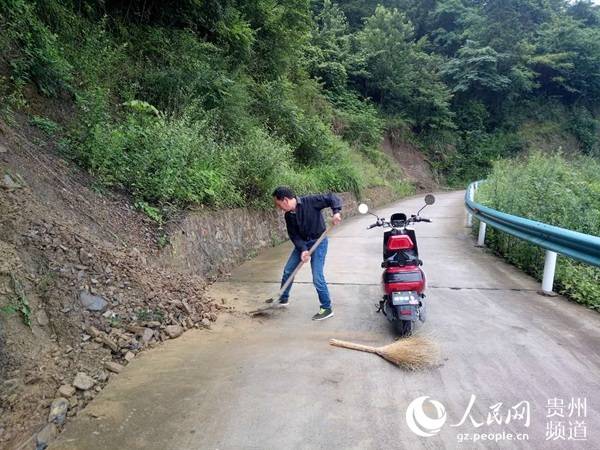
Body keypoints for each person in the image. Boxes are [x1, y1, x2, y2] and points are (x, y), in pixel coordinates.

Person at [272, 186, 342, 321]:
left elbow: (332, 197)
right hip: (303, 243)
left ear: (285, 200)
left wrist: (336, 212)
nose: (279, 208)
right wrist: (303, 249)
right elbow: (294, 236)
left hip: (319, 242)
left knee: (317, 277)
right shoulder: (289, 216)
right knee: (288, 271)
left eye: (279, 204)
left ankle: (326, 308)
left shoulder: (310, 201)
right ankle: (283, 298)